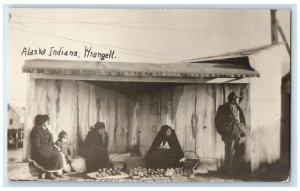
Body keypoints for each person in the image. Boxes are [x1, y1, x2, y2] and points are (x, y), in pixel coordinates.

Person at [215, 92, 248, 176]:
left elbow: (242, 121)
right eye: (237, 98)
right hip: (228, 134)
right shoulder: (223, 108)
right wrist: (223, 132)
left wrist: (243, 132)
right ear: (233, 98)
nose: (238, 100)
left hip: (238, 133)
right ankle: (228, 172)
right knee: (229, 153)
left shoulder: (238, 108)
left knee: (241, 151)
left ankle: (235, 170)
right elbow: (217, 121)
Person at [30, 114, 65, 179]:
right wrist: (45, 150)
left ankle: (56, 172)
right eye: (47, 121)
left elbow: (50, 141)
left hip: (47, 149)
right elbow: (36, 144)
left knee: (59, 153)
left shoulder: (46, 130)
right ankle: (49, 174)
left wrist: (54, 146)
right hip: (39, 151)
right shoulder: (37, 130)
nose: (48, 123)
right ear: (42, 122)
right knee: (54, 156)